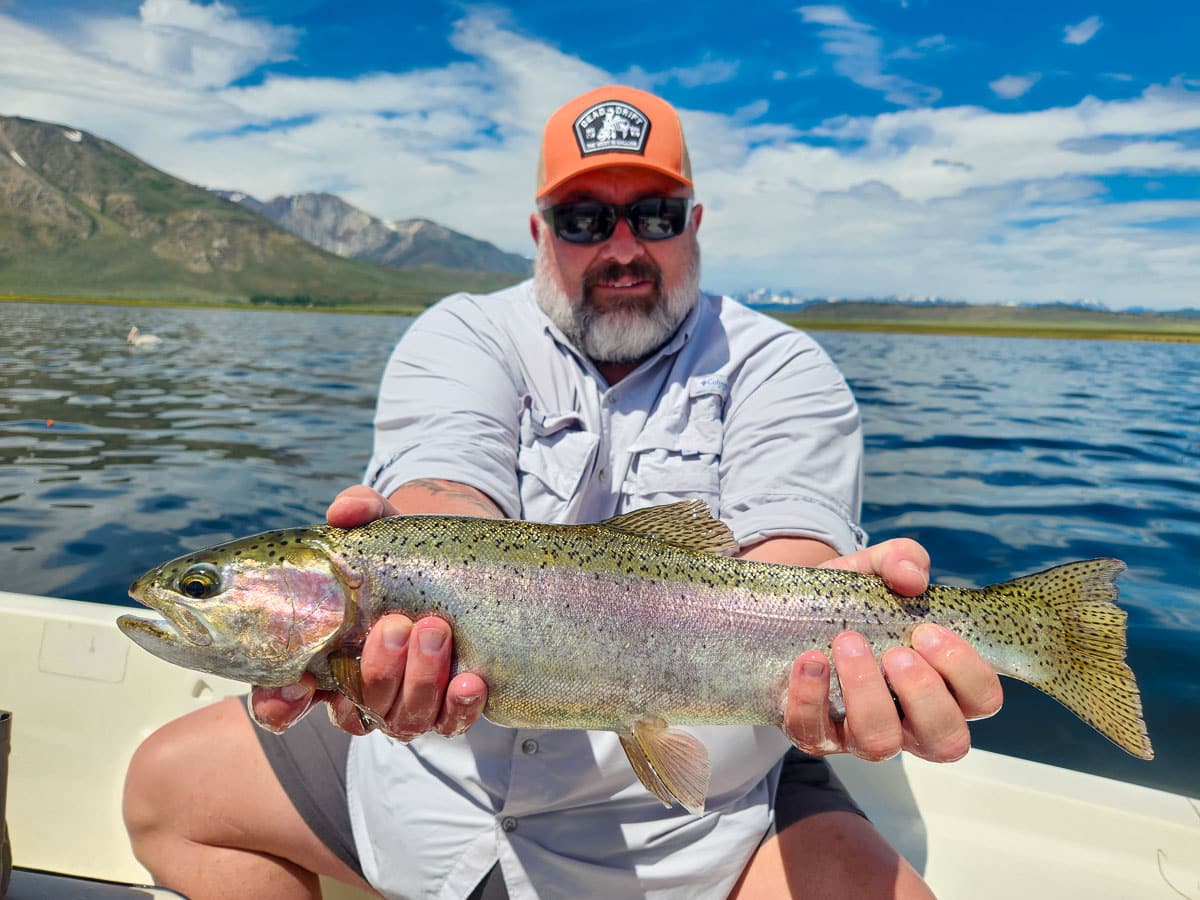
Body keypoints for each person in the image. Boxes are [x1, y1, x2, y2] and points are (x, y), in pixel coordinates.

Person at [123, 85, 1003, 899]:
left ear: (694, 224)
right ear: (540, 232)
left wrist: (833, 657)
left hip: (694, 815)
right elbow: (443, 491)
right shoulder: (464, 333)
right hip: (433, 767)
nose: (623, 246)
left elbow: (795, 554)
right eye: (585, 217)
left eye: (652, 214)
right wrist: (414, 595)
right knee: (163, 798)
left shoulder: (781, 365)